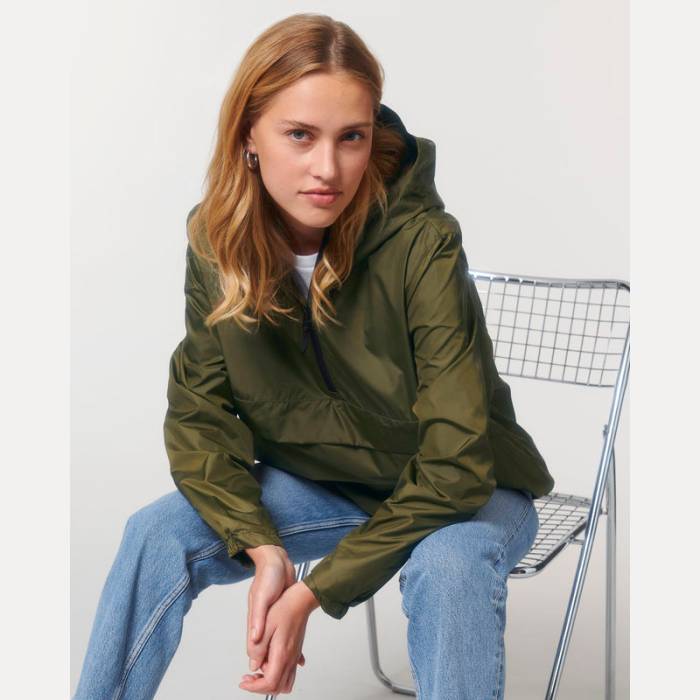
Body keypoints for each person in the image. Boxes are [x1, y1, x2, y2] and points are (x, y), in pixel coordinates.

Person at [73, 12, 555, 700]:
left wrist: (313, 592)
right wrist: (263, 546)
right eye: (299, 134)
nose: (328, 168)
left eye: (351, 137)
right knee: (155, 532)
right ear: (248, 134)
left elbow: (455, 465)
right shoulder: (216, 242)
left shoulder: (422, 243)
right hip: (330, 484)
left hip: (470, 491)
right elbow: (200, 417)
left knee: (448, 565)